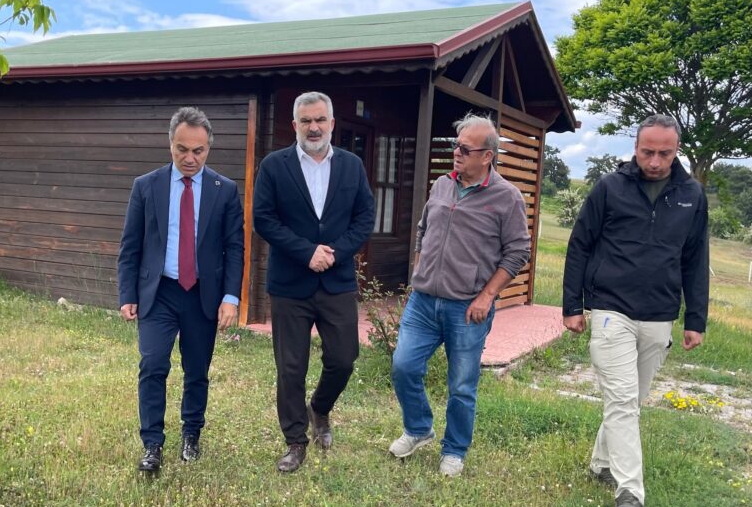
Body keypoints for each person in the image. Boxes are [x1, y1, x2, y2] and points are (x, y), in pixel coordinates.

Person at [562, 114, 709, 507]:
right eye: (648, 152)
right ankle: (630, 494)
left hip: (660, 313)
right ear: (635, 148)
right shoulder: (610, 187)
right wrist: (572, 305)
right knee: (623, 401)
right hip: (611, 308)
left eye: (665, 153)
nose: (655, 161)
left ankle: (601, 462)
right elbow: (580, 245)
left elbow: (696, 258)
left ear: (676, 150)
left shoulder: (692, 195)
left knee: (630, 399)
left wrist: (696, 319)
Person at [389, 113, 530, 477]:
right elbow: (423, 229)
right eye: (456, 145)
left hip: (467, 308)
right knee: (403, 367)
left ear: (488, 156)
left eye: (465, 149)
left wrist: (487, 296)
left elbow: (518, 252)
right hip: (423, 301)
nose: (456, 152)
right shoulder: (441, 185)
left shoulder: (507, 197)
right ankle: (418, 428)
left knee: (462, 386)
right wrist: (419, 268)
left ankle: (454, 450)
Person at [117, 106, 244, 474]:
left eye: (198, 151)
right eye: (182, 149)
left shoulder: (224, 190)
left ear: (209, 148)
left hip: (202, 294)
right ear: (170, 144)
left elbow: (234, 247)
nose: (190, 158)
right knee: (153, 364)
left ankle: (191, 434)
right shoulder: (146, 186)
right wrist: (128, 294)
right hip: (159, 292)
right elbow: (131, 245)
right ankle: (152, 443)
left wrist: (230, 297)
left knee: (197, 369)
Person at [253, 91, 375, 473]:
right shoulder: (274, 166)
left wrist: (335, 253)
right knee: (290, 367)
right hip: (290, 283)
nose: (314, 127)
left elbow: (364, 217)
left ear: (332, 123)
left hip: (337, 281)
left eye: (320, 119)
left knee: (344, 359)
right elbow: (264, 219)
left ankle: (319, 407)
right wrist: (306, 252)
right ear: (295, 125)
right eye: (306, 120)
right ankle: (295, 441)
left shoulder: (352, 166)